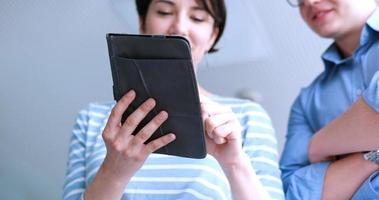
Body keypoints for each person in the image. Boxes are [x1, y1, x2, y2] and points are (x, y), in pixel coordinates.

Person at [63, 0, 284, 199]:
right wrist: (113, 173)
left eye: (197, 17)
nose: (179, 27)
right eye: (164, 11)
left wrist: (234, 163)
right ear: (142, 22)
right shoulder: (92, 119)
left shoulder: (246, 117)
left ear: (213, 36)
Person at [281, 0, 379, 199]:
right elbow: (293, 191)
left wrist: (319, 144)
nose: (308, 2)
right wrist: (372, 156)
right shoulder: (306, 102)